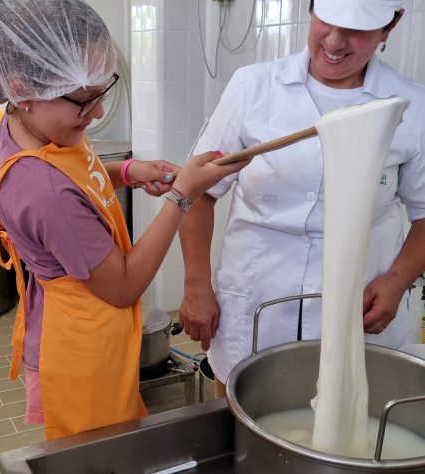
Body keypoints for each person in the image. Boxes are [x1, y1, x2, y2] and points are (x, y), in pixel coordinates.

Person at [0, 0, 247, 440]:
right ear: (22, 90)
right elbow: (122, 286)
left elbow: (77, 181)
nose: (97, 113)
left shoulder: (31, 128)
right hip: (84, 351)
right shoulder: (41, 187)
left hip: (94, 327)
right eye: (83, 102)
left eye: (103, 92)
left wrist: (127, 172)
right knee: (100, 452)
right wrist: (182, 196)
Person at [179, 0, 425, 398]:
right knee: (242, 427)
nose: (334, 40)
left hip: (357, 311)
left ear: (389, 27)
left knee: (346, 436)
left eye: (356, 29)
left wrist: (398, 282)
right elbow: (199, 191)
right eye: (326, 20)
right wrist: (195, 283)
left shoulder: (412, 108)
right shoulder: (252, 87)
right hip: (257, 301)